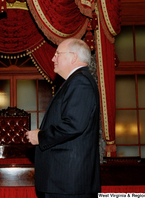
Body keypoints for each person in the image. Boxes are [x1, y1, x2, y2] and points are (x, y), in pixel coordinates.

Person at [26, 38, 101, 198]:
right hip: (64, 181)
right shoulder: (75, 81)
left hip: (68, 181)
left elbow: (73, 125)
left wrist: (40, 136)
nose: (53, 58)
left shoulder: (80, 82)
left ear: (73, 57)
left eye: (57, 54)